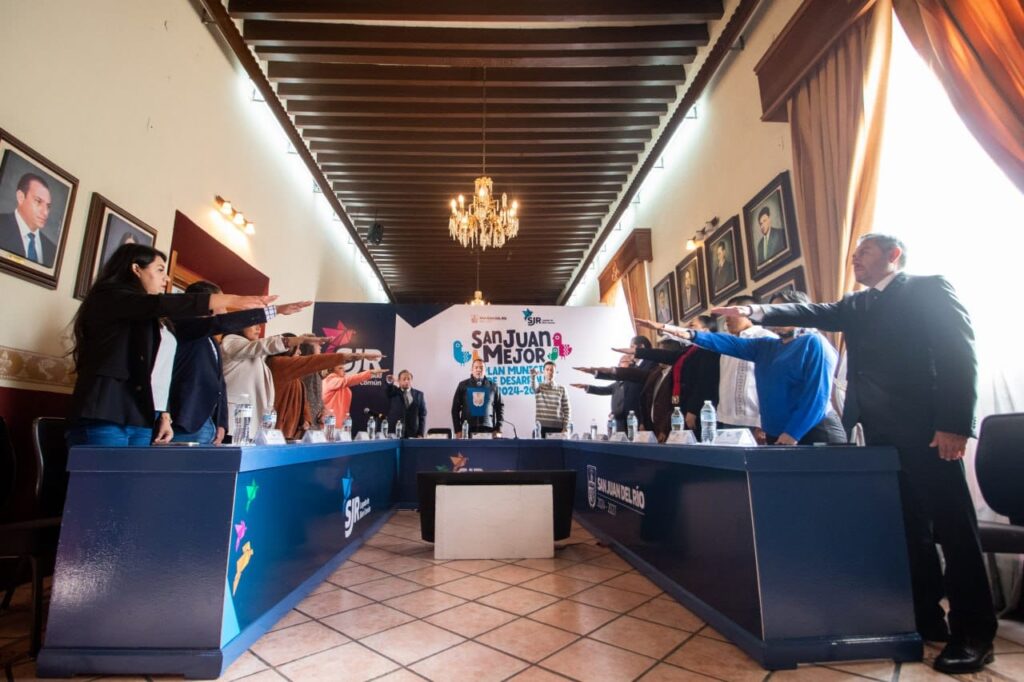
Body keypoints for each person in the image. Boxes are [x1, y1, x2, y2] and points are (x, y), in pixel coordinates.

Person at [714, 234, 995, 674]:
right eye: (853, 253)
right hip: (879, 434)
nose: (854, 259)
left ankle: (975, 634)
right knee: (908, 530)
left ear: (893, 255)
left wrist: (955, 424)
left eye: (863, 251)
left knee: (955, 530)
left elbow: (959, 354)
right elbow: (813, 312)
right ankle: (926, 618)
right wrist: (754, 311)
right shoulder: (857, 303)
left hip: (928, 432)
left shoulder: (928, 289)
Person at [66, 244, 277, 446]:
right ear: (136, 269)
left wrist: (164, 414)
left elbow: (159, 370)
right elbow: (163, 304)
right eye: (159, 270)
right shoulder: (109, 298)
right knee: (104, 473)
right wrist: (233, 301)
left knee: (133, 473)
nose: (166, 278)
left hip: (143, 415)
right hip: (106, 412)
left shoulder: (158, 320)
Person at [640, 290, 846, 445]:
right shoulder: (767, 346)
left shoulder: (814, 343)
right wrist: (676, 331)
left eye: (781, 311)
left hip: (812, 433)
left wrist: (792, 434)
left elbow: (816, 398)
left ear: (800, 312)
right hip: (780, 436)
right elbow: (723, 342)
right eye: (772, 312)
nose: (775, 317)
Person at [167, 281, 310, 445]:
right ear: (206, 304)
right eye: (223, 304)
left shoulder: (211, 341)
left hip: (213, 423)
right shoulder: (217, 337)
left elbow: (220, 385)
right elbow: (250, 340)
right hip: (187, 419)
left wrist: (221, 422)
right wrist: (276, 311)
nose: (225, 311)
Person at [269, 338, 380, 440]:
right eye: (317, 345)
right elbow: (308, 398)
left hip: (305, 427)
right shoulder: (283, 365)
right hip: (288, 431)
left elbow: (305, 399)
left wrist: (315, 414)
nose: (300, 352)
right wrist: (364, 363)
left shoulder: (304, 373)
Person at [221, 325, 326, 426]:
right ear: (239, 325)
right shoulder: (231, 342)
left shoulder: (257, 353)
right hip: (233, 420)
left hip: (250, 420)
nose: (258, 328)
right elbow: (265, 345)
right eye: (253, 324)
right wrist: (301, 340)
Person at [715, 295, 776, 440]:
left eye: (731, 313)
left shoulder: (766, 338)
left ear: (748, 314)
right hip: (727, 418)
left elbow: (773, 383)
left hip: (755, 420)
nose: (727, 319)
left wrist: (763, 422)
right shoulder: (728, 342)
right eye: (725, 314)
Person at [0, 173, 58, 267]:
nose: (45, 212)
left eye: (48, 206)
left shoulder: (52, 249)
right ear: (20, 197)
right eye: (38, 201)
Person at [571, 355, 635, 432]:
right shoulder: (617, 384)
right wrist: (586, 387)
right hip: (618, 421)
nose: (619, 365)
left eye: (622, 362)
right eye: (619, 363)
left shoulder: (634, 381)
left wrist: (592, 371)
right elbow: (603, 390)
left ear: (631, 363)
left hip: (631, 421)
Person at [322, 361, 388, 432]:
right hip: (330, 426)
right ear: (331, 370)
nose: (344, 370)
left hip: (342, 425)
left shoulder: (340, 383)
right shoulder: (330, 380)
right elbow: (348, 380)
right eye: (340, 368)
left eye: (343, 367)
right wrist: (370, 373)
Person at [451, 358, 504, 436]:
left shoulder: (493, 386)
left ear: (485, 370)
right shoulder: (463, 385)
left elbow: (500, 408)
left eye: (481, 367)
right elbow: (455, 409)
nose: (479, 370)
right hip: (467, 429)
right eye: (476, 367)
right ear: (471, 370)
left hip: (488, 429)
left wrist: (498, 429)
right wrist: (458, 430)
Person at [529, 361, 571, 436]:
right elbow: (534, 387)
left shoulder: (562, 389)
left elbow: (567, 410)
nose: (549, 372)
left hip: (558, 428)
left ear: (556, 373)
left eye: (552, 370)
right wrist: (533, 377)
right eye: (547, 370)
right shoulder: (540, 387)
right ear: (544, 372)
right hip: (541, 428)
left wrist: (565, 427)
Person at [384, 370, 427, 438]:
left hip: (413, 433)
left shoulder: (419, 394)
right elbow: (388, 388)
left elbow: (422, 415)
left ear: (411, 380)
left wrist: (420, 433)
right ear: (399, 380)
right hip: (395, 433)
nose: (406, 381)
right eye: (404, 379)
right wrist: (390, 381)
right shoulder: (393, 392)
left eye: (408, 379)